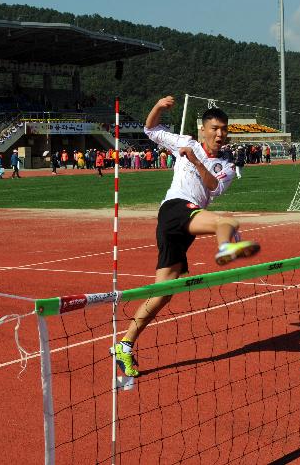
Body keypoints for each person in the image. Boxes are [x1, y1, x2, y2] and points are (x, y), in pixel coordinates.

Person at [111, 96, 261, 378]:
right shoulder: (186, 141)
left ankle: (124, 345)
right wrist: (157, 106)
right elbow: (150, 130)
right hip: (175, 209)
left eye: (224, 129)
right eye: (215, 128)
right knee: (226, 223)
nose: (220, 133)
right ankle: (226, 246)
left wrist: (195, 160)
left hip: (187, 222)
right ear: (203, 129)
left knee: (164, 292)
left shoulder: (227, 165)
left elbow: (213, 187)